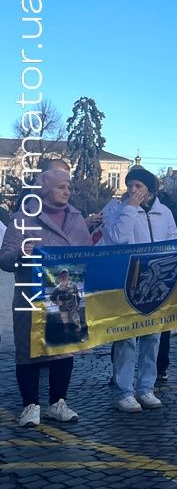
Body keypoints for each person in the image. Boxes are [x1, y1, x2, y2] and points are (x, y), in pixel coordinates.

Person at [1, 169, 88, 427]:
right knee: (29, 351)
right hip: (32, 297)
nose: (67, 191)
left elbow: (89, 254)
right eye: (61, 186)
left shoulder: (76, 217)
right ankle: (30, 405)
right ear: (45, 190)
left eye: (69, 187)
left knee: (63, 350)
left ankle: (57, 403)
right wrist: (19, 253)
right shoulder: (23, 218)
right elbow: (4, 259)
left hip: (66, 296)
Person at [100, 167, 177, 412]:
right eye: (130, 185)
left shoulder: (164, 212)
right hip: (127, 279)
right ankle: (124, 390)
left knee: (152, 337)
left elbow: (174, 239)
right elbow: (116, 237)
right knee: (126, 337)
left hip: (155, 281)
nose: (133, 190)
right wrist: (130, 210)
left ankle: (146, 387)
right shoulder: (116, 209)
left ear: (150, 189)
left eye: (139, 186)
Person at [154, 189, 177, 381]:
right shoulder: (175, 211)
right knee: (163, 324)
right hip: (168, 271)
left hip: (159, 270)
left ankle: (158, 367)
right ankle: (161, 367)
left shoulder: (167, 213)